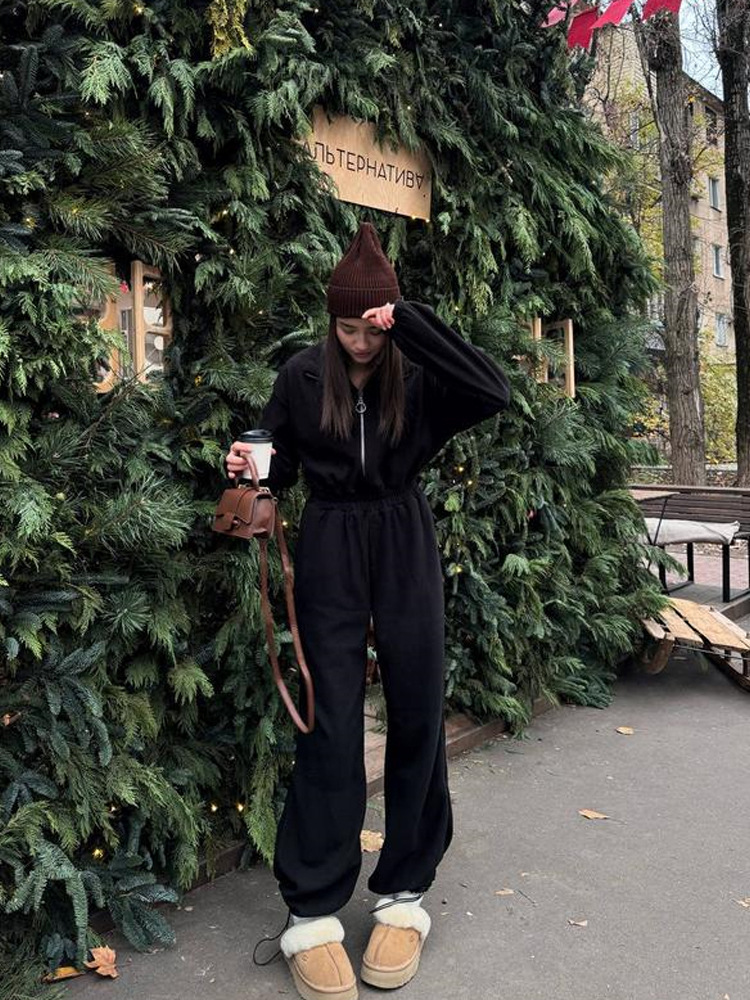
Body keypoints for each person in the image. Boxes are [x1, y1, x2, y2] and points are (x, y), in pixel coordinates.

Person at [226, 222, 510, 1000]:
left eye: (371, 327)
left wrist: (408, 322)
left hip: (403, 532)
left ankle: (405, 891)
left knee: (418, 704)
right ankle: (311, 908)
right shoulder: (300, 373)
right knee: (328, 717)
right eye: (348, 327)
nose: (359, 342)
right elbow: (278, 461)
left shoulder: (416, 372)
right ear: (331, 321)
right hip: (329, 538)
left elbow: (492, 390)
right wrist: (251, 465)